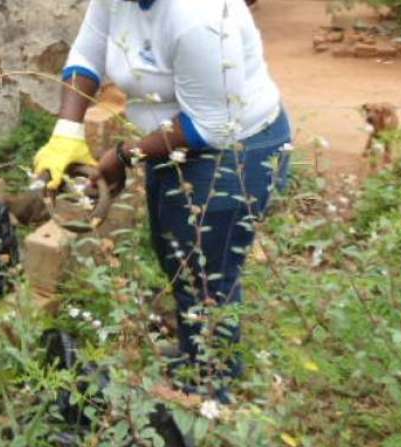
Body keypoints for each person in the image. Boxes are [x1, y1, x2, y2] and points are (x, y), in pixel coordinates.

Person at [34, 0, 291, 399]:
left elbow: (211, 125)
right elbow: (88, 52)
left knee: (206, 270)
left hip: (233, 152)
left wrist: (122, 157)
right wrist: (67, 131)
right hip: (170, 145)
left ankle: (210, 389)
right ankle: (197, 354)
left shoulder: (198, 18)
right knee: (176, 251)